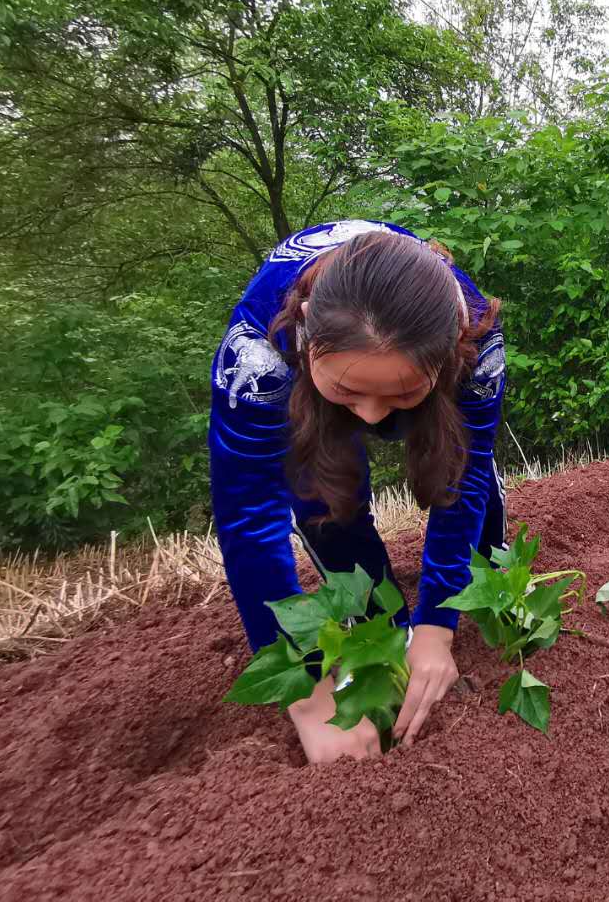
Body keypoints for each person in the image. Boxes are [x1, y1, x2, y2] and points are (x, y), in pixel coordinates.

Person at [210, 220, 506, 763]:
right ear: (304, 332)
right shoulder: (256, 356)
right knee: (325, 497)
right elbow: (249, 517)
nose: (370, 417)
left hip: (412, 367)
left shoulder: (477, 341)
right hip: (306, 378)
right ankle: (380, 624)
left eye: (396, 395)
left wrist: (438, 627)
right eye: (351, 394)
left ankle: (485, 583)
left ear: (445, 360)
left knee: (463, 478)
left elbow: (465, 477)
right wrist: (308, 694)